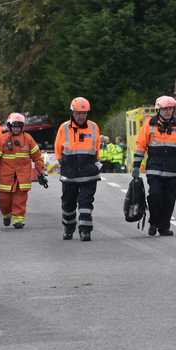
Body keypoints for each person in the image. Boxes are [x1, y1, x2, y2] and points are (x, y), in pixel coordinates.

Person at [132, 96, 176, 236]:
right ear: (158, 110)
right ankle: (154, 222)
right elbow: (140, 145)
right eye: (165, 109)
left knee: (169, 199)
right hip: (154, 167)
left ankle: (164, 227)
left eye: (170, 109)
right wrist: (136, 165)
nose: (167, 111)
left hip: (173, 169)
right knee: (155, 196)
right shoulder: (149, 124)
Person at [54, 97, 101, 242]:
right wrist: (63, 163)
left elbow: (97, 148)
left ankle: (85, 231)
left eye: (84, 113)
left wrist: (96, 164)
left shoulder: (93, 127)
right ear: (72, 112)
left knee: (86, 203)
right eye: (78, 113)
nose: (81, 116)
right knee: (68, 204)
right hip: (70, 173)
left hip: (88, 173)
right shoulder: (64, 128)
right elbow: (58, 149)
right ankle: (69, 227)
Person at [0, 113, 47, 229]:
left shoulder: (28, 139)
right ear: (10, 126)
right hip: (6, 176)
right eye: (14, 126)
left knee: (20, 199)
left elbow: (37, 156)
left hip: (22, 176)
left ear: (22, 127)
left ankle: (18, 219)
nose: (16, 128)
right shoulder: (3, 139)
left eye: (18, 126)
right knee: (4, 199)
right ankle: (6, 214)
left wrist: (40, 170)